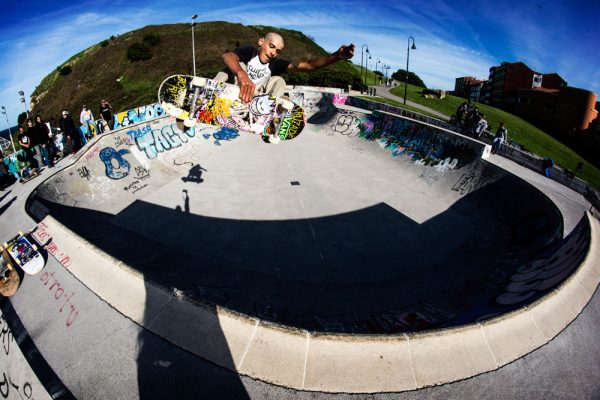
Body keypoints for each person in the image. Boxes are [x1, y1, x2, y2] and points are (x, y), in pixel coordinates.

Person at [215, 32, 355, 102]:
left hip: (255, 97)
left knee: (279, 81)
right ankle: (210, 96)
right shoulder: (249, 51)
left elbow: (308, 65)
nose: (273, 53)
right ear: (261, 42)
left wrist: (336, 56)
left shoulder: (276, 64)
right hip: (234, 90)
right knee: (233, 67)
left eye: (277, 51)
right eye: (271, 47)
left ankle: (267, 109)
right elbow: (227, 56)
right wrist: (241, 74)